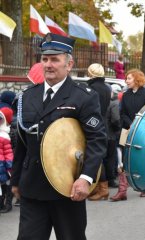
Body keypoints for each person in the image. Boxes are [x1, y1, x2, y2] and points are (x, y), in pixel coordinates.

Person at [11, 33, 107, 239]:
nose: (48, 64)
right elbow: (21, 141)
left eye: (55, 59)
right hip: (33, 189)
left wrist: (86, 178)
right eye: (44, 59)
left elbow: (97, 140)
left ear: (69, 64)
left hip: (68, 188)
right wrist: (16, 180)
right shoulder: (27, 97)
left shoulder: (84, 97)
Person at [110, 69, 145, 201]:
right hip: (126, 129)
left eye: (129, 78)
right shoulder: (125, 94)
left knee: (141, 157)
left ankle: (144, 187)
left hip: (142, 129)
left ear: (137, 79)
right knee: (123, 158)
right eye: (127, 78)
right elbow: (122, 113)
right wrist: (130, 123)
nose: (126, 81)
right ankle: (122, 190)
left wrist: (137, 124)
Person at [86, 63, 111, 201]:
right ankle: (98, 187)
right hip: (103, 123)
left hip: (92, 124)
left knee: (94, 157)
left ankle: (101, 189)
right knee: (99, 156)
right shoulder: (106, 88)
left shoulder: (91, 88)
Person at [0, 107, 14, 214]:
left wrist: (9, 166)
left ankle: (7, 203)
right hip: (3, 164)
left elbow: (9, 152)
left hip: (4, 165)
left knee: (6, 185)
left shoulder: (5, 136)